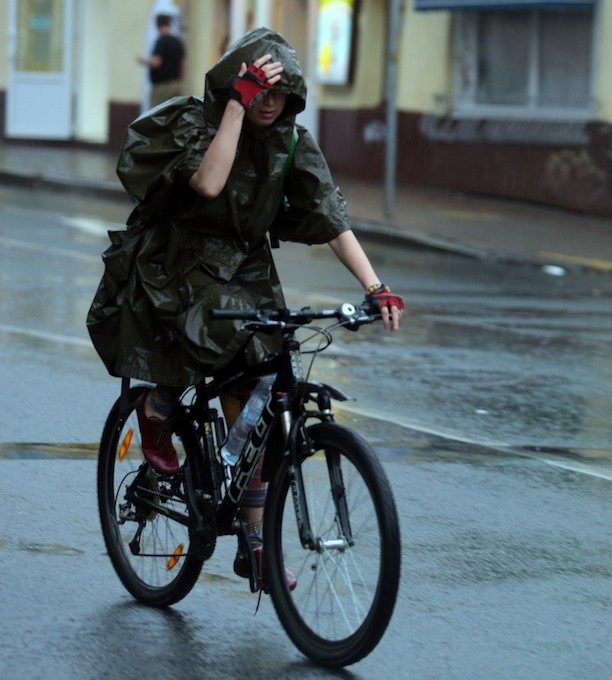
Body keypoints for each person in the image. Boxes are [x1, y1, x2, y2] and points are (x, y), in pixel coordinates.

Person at [88, 28, 404, 589]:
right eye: (259, 90)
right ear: (236, 85)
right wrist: (235, 104)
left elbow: (331, 218)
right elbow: (209, 183)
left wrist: (375, 286)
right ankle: (159, 407)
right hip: (179, 262)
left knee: (261, 406)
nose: (270, 102)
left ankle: (254, 543)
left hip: (248, 269)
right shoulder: (196, 122)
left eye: (280, 93)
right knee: (203, 344)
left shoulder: (292, 144)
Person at [138, 14, 186, 107]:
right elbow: (182, 64)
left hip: (161, 86)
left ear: (157, 25)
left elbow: (156, 62)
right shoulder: (178, 41)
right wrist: (178, 80)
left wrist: (144, 61)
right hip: (175, 84)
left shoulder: (161, 41)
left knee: (156, 114)